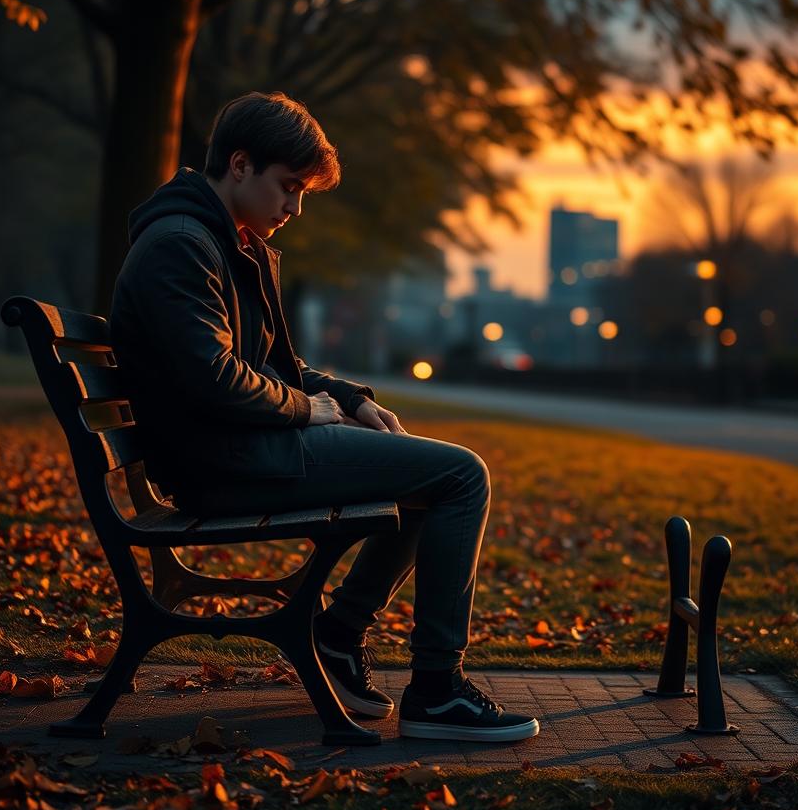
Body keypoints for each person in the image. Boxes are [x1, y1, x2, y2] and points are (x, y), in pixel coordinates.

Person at [110, 91, 539, 743]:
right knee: (461, 476)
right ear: (240, 164)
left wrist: (351, 398)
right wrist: (306, 410)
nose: (294, 208)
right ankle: (435, 691)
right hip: (224, 462)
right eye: (289, 187)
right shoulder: (183, 245)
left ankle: (339, 637)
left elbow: (272, 364)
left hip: (233, 449)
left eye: (302, 193)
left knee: (432, 474)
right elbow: (214, 380)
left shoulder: (220, 240)